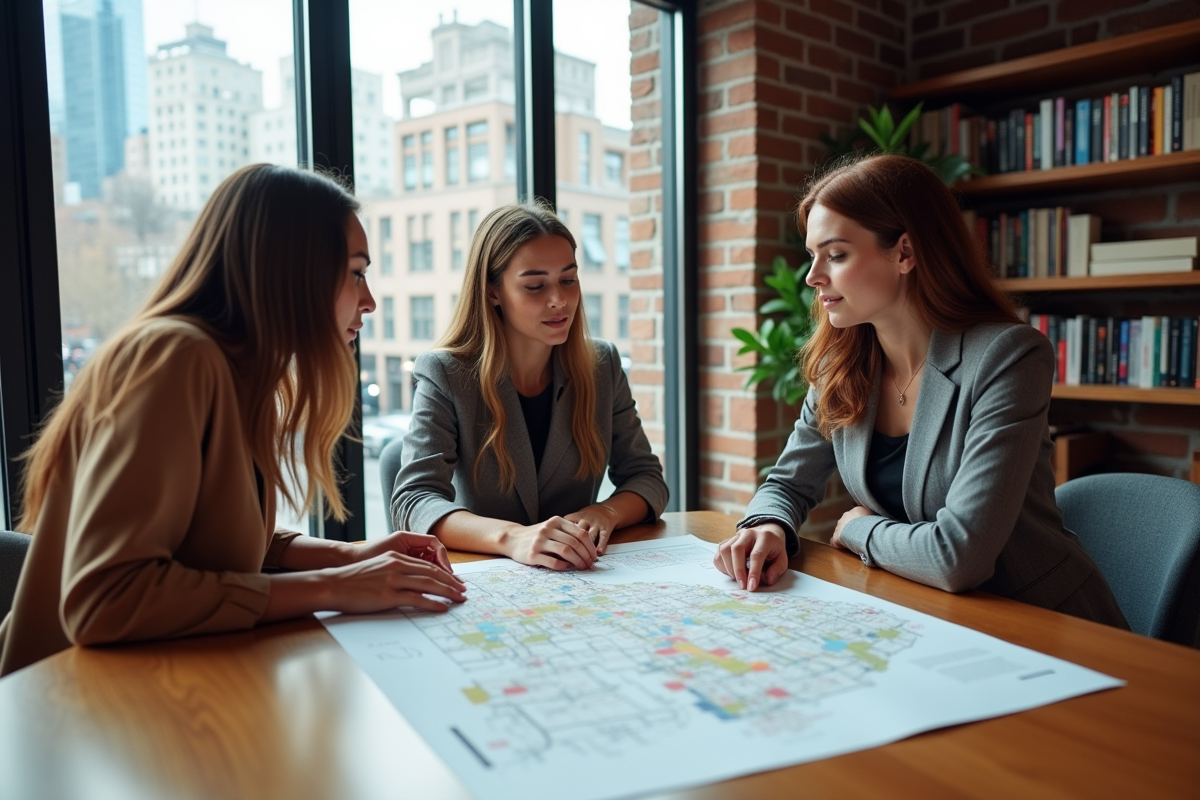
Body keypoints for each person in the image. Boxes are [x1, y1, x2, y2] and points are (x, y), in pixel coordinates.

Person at [0, 165, 466, 678]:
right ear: (291, 271)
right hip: (55, 703)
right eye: (356, 272)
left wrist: (352, 555)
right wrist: (337, 587)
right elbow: (106, 597)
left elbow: (223, 545)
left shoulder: (242, 373)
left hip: (150, 685)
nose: (370, 300)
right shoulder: (174, 357)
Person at [714, 154, 1127, 628]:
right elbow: (786, 484)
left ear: (905, 253)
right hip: (924, 615)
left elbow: (958, 556)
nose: (813, 277)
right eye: (813, 255)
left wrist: (858, 529)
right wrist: (768, 525)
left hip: (1043, 625)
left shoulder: (1007, 357)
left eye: (837, 254)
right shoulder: (840, 367)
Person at [392, 203, 668, 570]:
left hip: (578, 577)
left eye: (568, 280)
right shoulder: (446, 373)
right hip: (486, 579)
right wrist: (512, 537)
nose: (560, 300)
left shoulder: (602, 365)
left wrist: (606, 512)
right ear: (493, 292)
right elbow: (413, 499)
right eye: (535, 286)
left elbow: (647, 477)